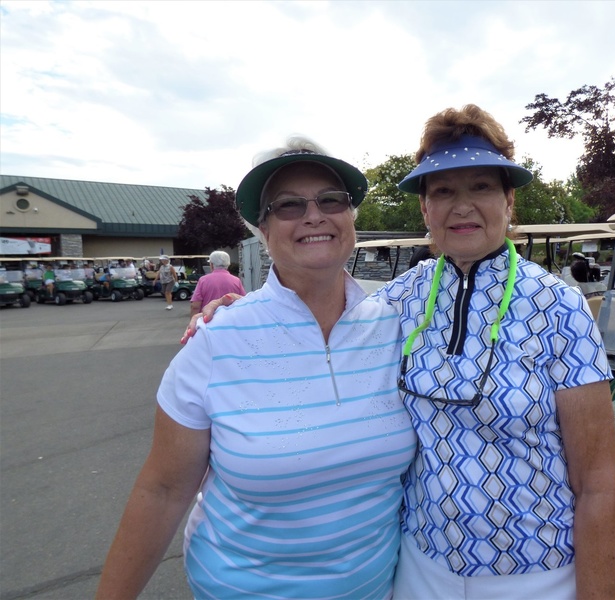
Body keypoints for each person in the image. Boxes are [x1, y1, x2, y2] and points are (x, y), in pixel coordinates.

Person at [191, 106, 615, 599]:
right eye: (443, 191)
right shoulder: (401, 299)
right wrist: (242, 309)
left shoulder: (560, 308)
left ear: (508, 201)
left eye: (481, 186)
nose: (462, 206)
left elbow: (599, 484)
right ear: (425, 209)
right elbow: (323, 310)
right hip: (419, 568)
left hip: (536, 575)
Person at [95, 138, 416, 600]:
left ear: (350, 217)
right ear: (262, 230)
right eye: (288, 205)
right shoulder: (216, 341)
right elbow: (163, 490)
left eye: (331, 200)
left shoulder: (400, 325)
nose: (314, 215)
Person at [188, 250, 245, 319]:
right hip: (230, 319)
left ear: (211, 265)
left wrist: (193, 321)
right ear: (228, 265)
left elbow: (195, 306)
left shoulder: (203, 280)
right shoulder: (236, 280)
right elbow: (243, 302)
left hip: (208, 320)